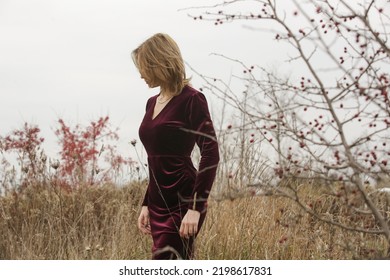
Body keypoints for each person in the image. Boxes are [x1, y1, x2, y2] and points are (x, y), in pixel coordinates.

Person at [132, 33, 219, 260]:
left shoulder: (192, 99)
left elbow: (211, 153)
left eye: (144, 67)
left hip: (183, 202)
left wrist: (195, 207)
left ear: (159, 63)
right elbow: (156, 160)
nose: (140, 74)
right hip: (157, 202)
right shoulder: (151, 102)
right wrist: (146, 203)